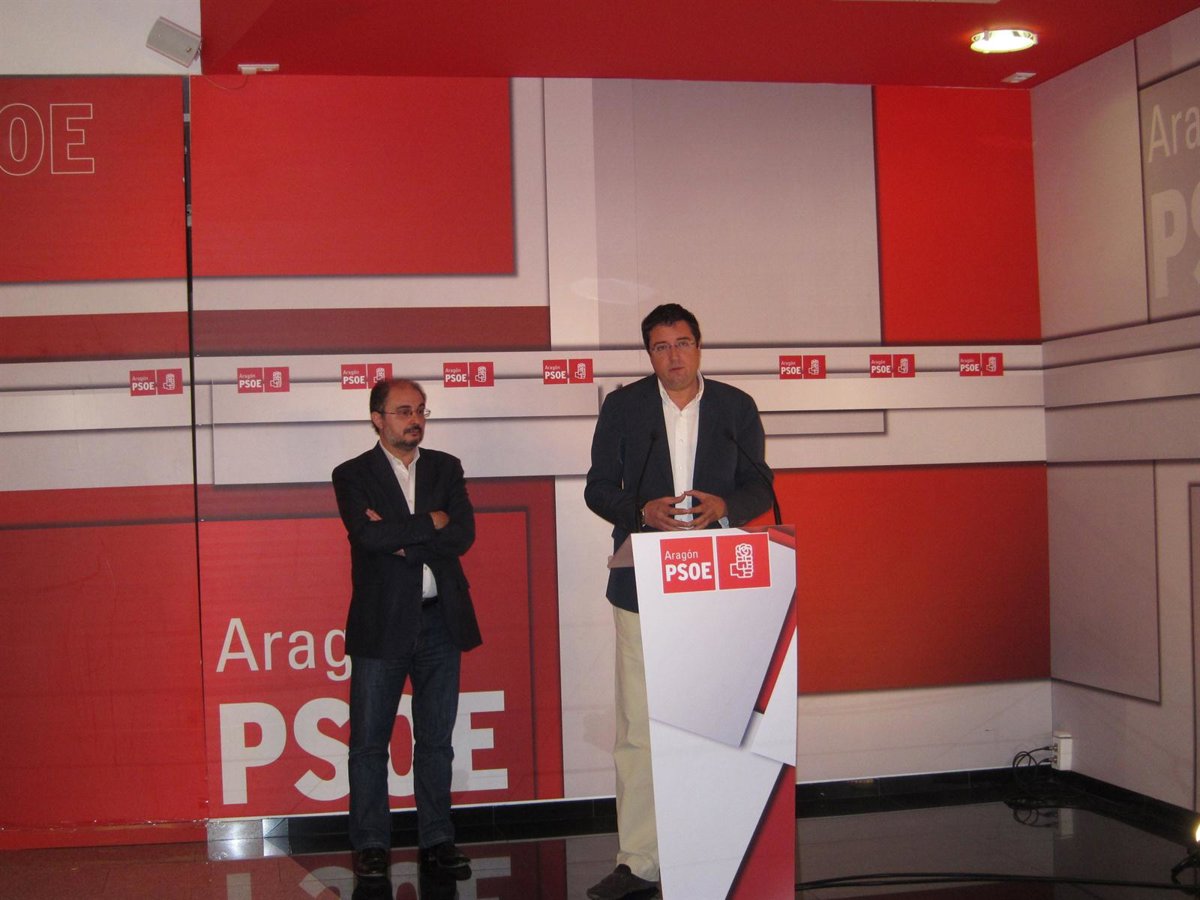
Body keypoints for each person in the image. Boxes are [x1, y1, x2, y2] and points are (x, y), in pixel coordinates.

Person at [583, 304, 774, 900]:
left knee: (717, 719)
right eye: (662, 346)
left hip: (717, 584)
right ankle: (640, 860)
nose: (674, 356)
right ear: (649, 354)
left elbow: (761, 484)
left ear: (699, 346)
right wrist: (640, 511)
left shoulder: (736, 407)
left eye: (683, 343)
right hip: (642, 582)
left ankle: (716, 846)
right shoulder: (624, 408)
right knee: (639, 727)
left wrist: (726, 506)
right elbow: (597, 488)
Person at [332, 378, 481, 882]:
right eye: (403, 411)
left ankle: (437, 838)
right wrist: (428, 522)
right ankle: (372, 844)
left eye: (420, 410)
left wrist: (401, 536)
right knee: (369, 743)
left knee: (436, 740)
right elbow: (367, 537)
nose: (415, 420)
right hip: (382, 623)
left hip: (440, 620)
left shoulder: (446, 467)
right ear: (377, 419)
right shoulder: (352, 474)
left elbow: (462, 534)